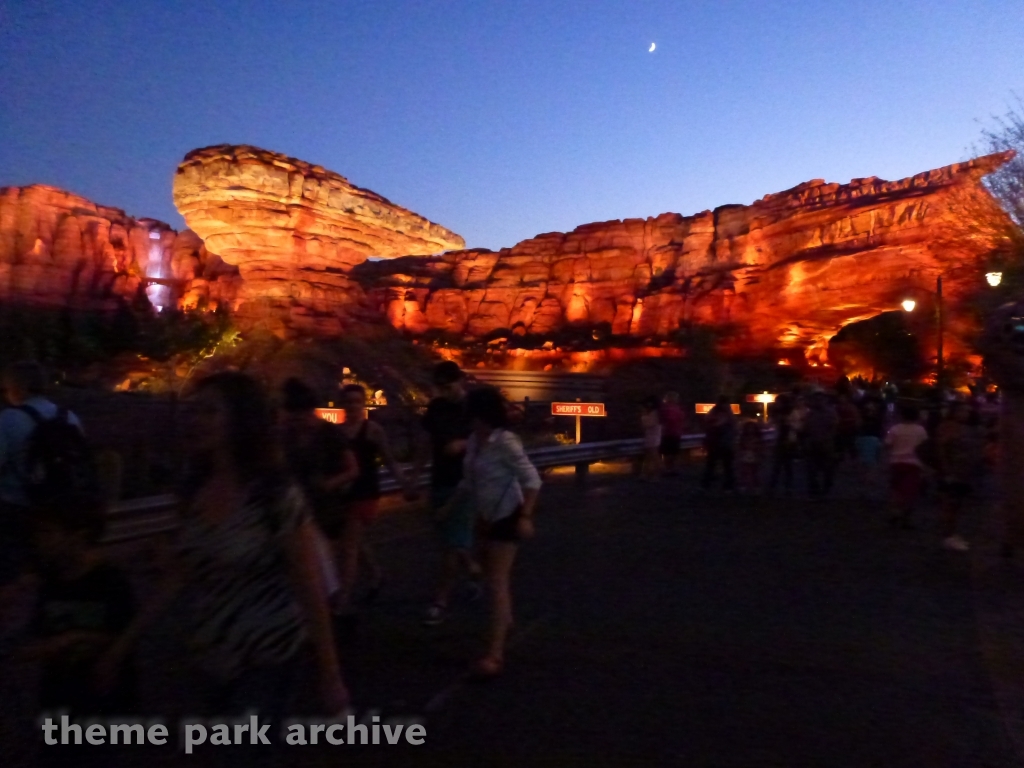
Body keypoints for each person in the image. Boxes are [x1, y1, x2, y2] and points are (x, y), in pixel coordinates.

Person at [96, 372, 349, 722]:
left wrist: (329, 673)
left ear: (240, 419)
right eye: (192, 410)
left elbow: (309, 585)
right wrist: (124, 643)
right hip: (211, 656)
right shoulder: (193, 492)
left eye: (209, 411)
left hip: (267, 656)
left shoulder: (273, 494)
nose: (194, 420)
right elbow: (181, 573)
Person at [15, 493, 137, 720]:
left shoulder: (110, 581)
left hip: (102, 698)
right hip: (58, 695)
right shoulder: (52, 580)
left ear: (78, 536)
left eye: (48, 533)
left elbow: (124, 634)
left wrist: (74, 638)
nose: (39, 541)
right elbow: (37, 632)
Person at [456, 386, 541, 677]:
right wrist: (451, 507)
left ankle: (494, 654)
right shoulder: (474, 441)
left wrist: (526, 516)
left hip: (507, 515)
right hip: (484, 516)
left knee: (496, 581)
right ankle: (505, 622)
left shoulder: (505, 442)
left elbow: (532, 480)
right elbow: (469, 481)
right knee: (486, 573)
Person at [279, 378, 359, 621]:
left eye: (301, 416)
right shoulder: (287, 435)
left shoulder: (329, 434)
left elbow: (352, 469)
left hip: (326, 508)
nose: (299, 422)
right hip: (295, 508)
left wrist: (328, 484)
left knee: (325, 565)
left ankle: (332, 610)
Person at [0, 362, 82, 596]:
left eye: (6, 389)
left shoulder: (8, 419)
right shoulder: (69, 417)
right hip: (60, 507)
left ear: (17, 387)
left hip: (16, 510)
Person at [412, 361, 481, 626]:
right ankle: (474, 569)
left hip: (465, 483)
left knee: (451, 546)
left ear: (460, 381)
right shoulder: (436, 408)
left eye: (447, 385)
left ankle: (440, 600)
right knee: (447, 539)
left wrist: (464, 443)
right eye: (439, 386)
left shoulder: (473, 408)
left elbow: (490, 438)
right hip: (439, 480)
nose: (443, 391)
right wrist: (415, 477)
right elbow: (425, 443)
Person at [336, 383, 415, 608]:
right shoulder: (337, 433)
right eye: (348, 402)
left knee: (348, 545)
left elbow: (389, 460)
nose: (352, 406)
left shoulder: (373, 430)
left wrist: (404, 484)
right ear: (342, 404)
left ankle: (343, 598)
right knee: (353, 540)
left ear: (363, 404)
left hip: (365, 492)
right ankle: (375, 574)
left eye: (356, 402)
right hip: (344, 492)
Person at [936, 402, 984, 551]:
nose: (967, 414)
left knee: (956, 506)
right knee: (951, 505)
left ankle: (952, 533)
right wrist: (947, 471)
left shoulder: (962, 428)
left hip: (962, 471)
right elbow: (941, 450)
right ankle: (948, 536)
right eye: (964, 411)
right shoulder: (949, 428)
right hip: (953, 472)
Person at [885, 404, 929, 529]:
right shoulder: (920, 430)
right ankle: (906, 517)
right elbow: (925, 447)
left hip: (896, 462)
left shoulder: (895, 429)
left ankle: (894, 512)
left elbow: (888, 444)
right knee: (910, 492)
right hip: (914, 463)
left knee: (896, 489)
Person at [803, 393, 838, 498]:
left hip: (825, 443)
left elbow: (835, 427)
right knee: (812, 469)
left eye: (820, 400)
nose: (818, 402)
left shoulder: (830, 413)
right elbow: (806, 428)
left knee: (827, 468)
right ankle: (815, 490)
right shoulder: (811, 413)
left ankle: (825, 489)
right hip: (814, 442)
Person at [701, 395, 736, 492]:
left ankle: (707, 483)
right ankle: (728, 483)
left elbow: (709, 423)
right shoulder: (728, 413)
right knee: (725, 465)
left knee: (713, 463)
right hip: (722, 442)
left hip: (716, 441)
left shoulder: (714, 412)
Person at [854, 397, 887, 497]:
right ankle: (868, 487)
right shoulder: (877, 419)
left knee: (864, 465)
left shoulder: (864, 420)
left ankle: (863, 487)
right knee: (871, 465)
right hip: (872, 439)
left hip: (865, 439)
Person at [768, 395, 798, 494]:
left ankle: (781, 486)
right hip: (781, 439)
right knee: (780, 464)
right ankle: (777, 485)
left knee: (784, 464)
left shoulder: (789, 413)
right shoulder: (778, 413)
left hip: (786, 439)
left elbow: (793, 425)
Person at [658, 392, 686, 475]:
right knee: (673, 452)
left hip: (667, 433)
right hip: (675, 433)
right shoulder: (678, 409)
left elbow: (664, 420)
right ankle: (672, 468)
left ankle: (668, 469)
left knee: (667, 453)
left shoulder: (665, 409)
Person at [640, 396, 662, 481]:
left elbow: (648, 424)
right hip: (653, 435)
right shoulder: (657, 412)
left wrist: (643, 416)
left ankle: (656, 474)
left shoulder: (654, 413)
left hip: (652, 436)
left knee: (653, 456)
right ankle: (646, 474)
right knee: (649, 456)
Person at [737, 420, 762, 493]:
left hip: (754, 454)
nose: (750, 430)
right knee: (744, 471)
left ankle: (755, 486)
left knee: (755, 471)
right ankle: (744, 485)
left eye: (752, 428)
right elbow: (740, 446)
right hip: (746, 454)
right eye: (749, 428)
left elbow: (760, 447)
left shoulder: (757, 437)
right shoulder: (743, 437)